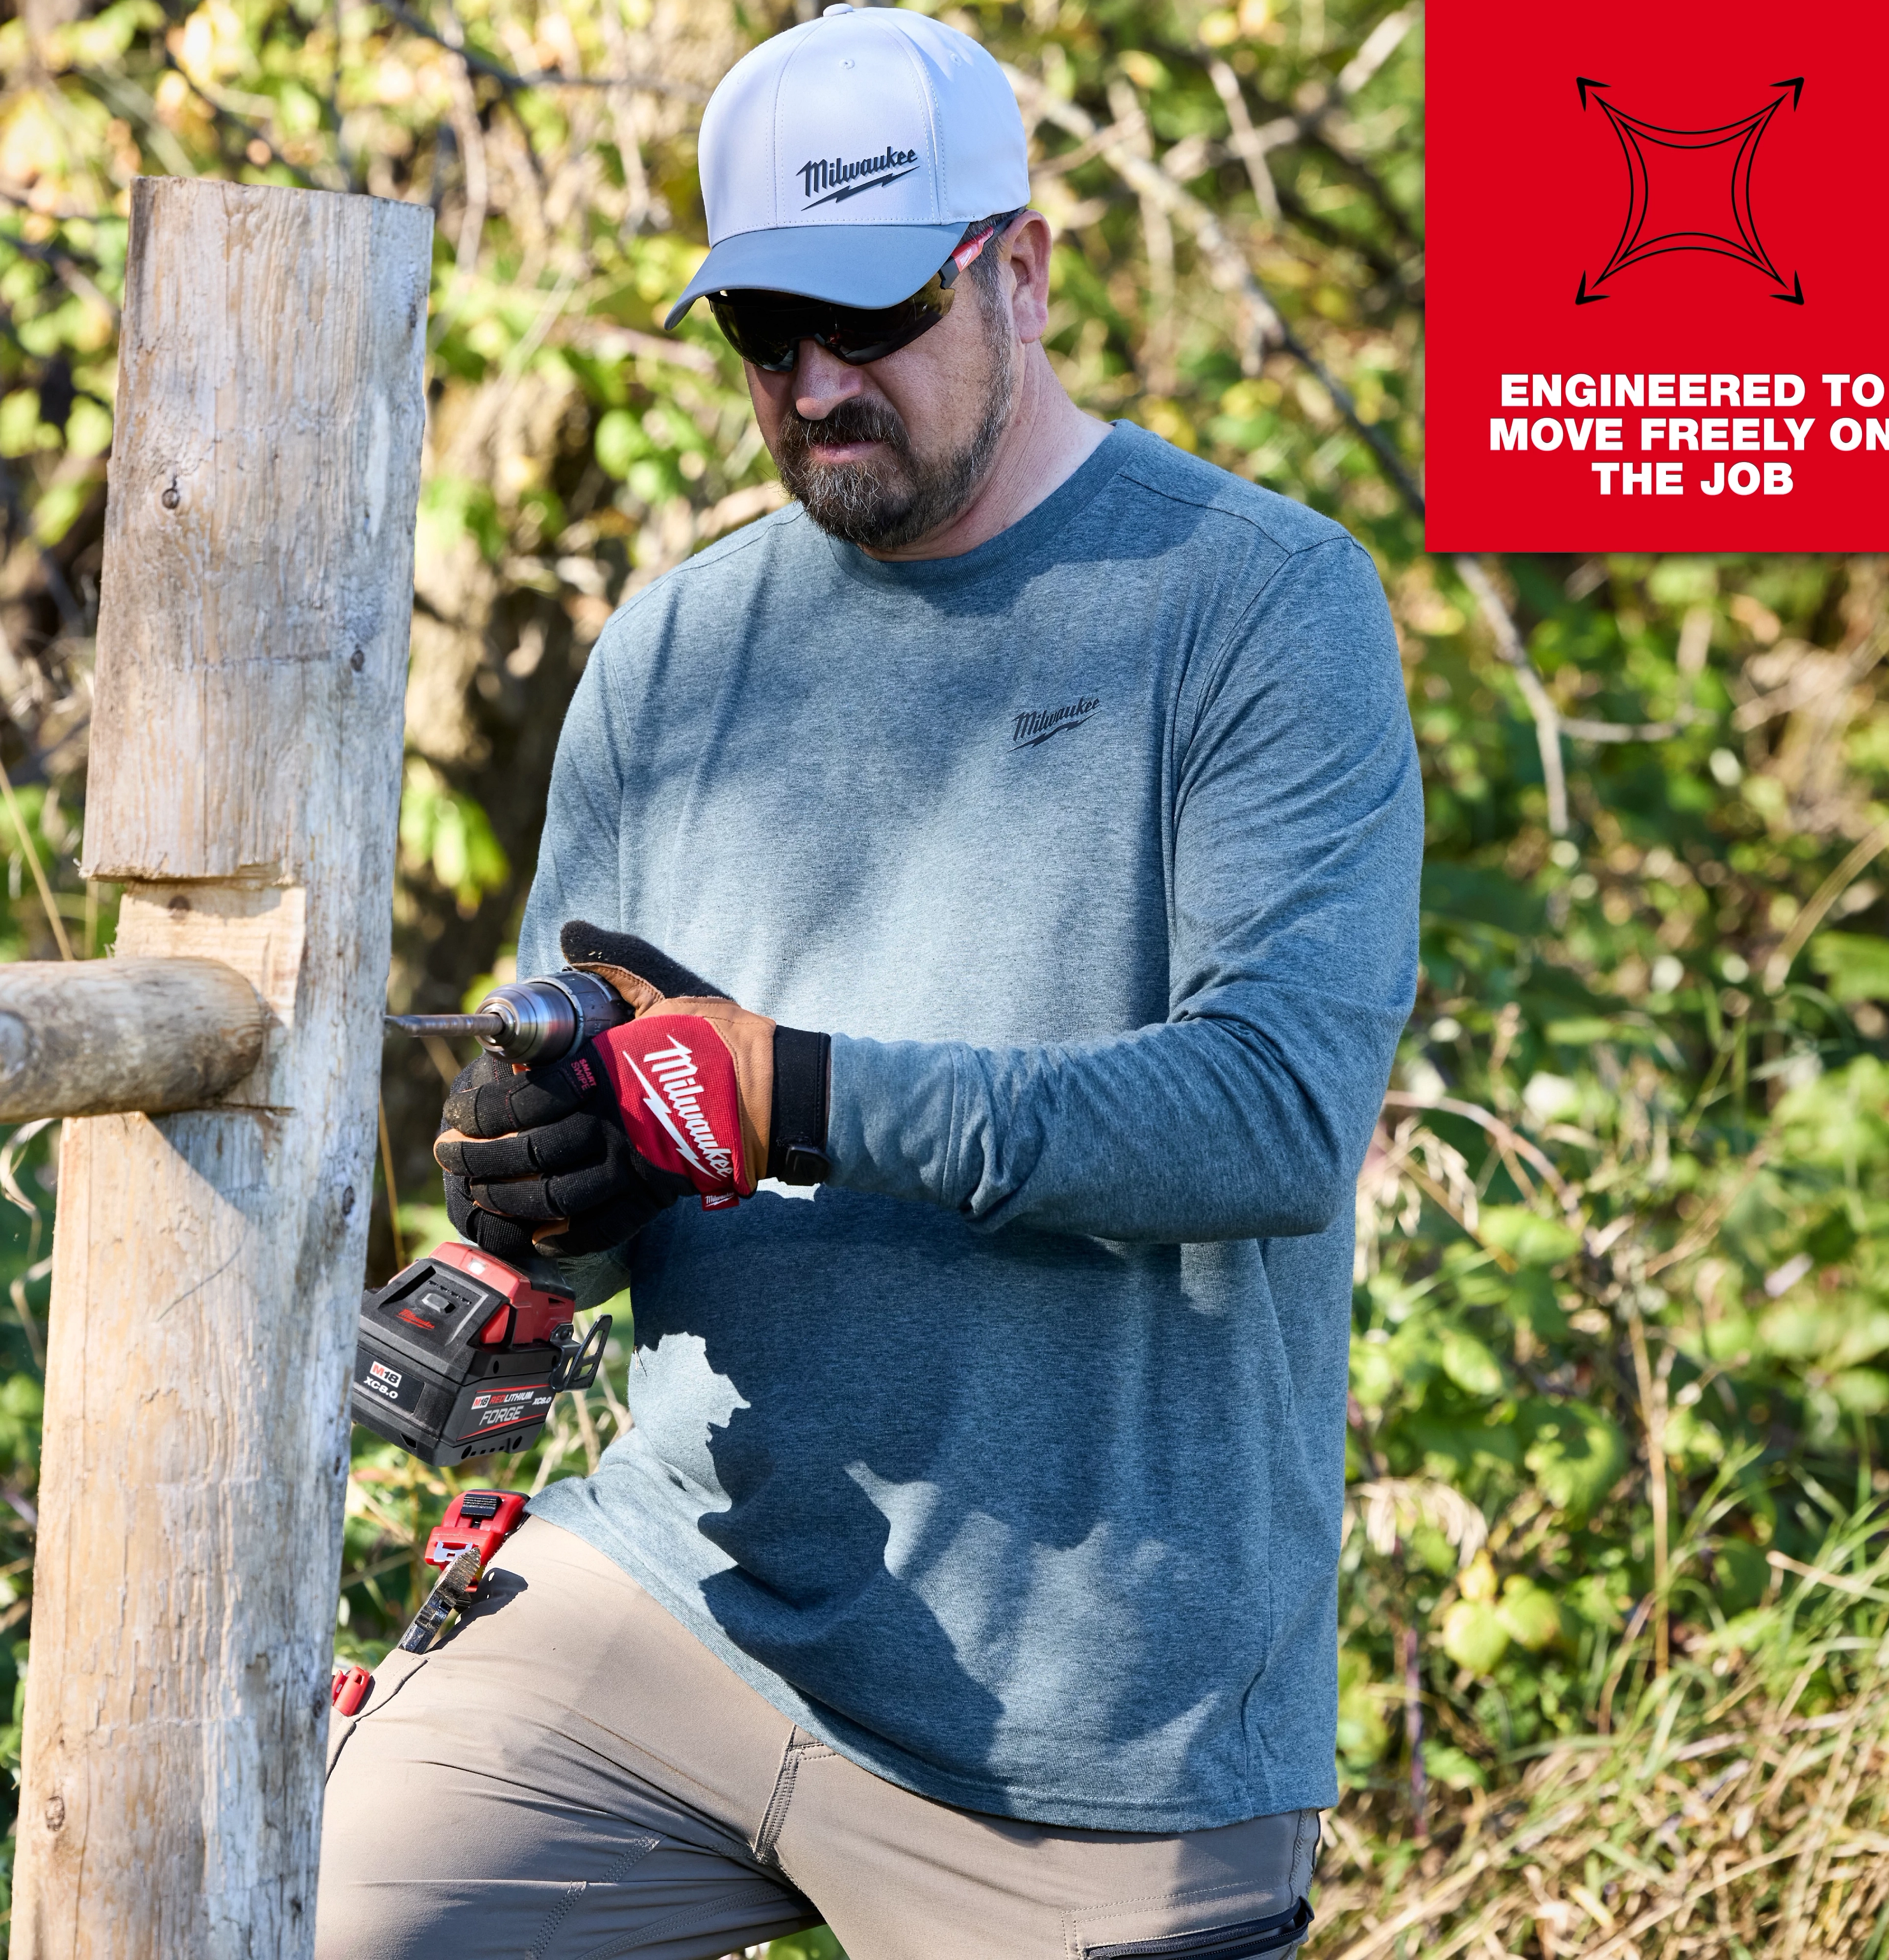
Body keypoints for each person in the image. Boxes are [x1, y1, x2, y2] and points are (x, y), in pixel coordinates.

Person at [316, 8, 1422, 1956]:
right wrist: (541, 1182)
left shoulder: (1259, 606)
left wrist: (794, 1093)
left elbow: (1274, 1115)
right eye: (763, 332)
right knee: (268, 1898)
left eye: (873, 317)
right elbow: (564, 1137)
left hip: (1095, 1736)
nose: (820, 384)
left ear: (1021, 264)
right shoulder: (674, 653)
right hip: (685, 1607)